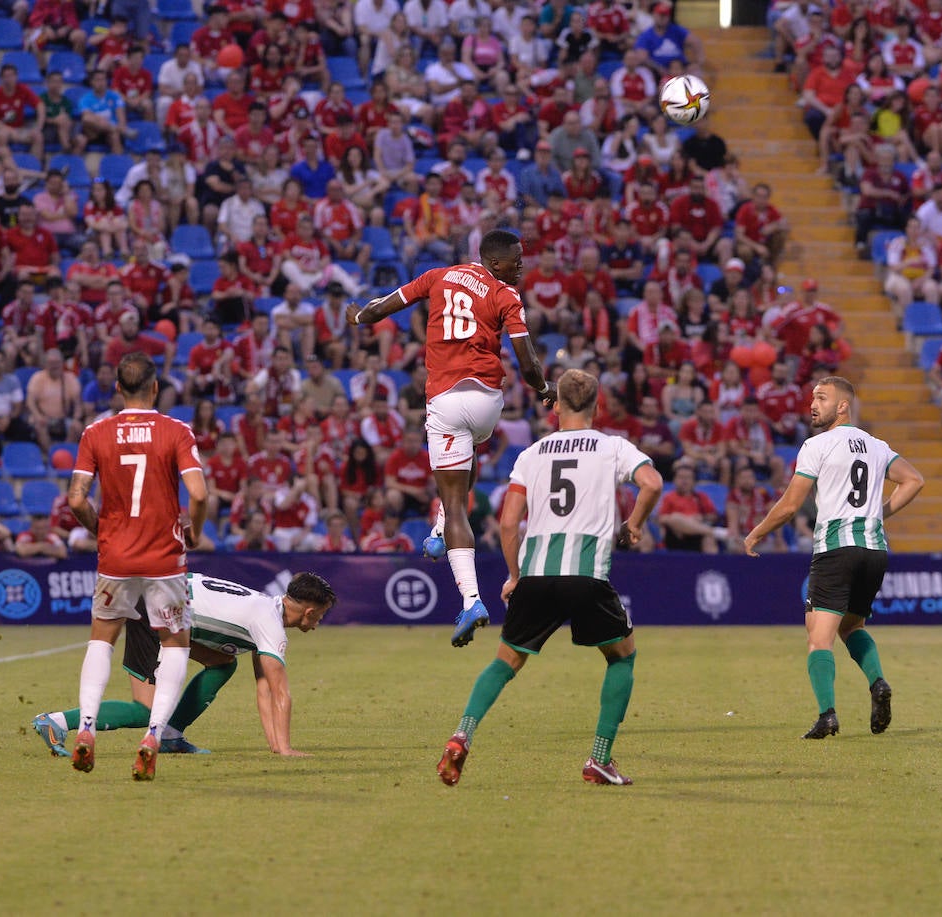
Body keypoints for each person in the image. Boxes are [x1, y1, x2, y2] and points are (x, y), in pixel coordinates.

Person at [436, 369, 662, 788]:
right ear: (598, 406)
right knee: (622, 656)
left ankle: (461, 734)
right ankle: (599, 759)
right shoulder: (613, 447)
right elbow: (652, 482)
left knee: (506, 661)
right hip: (585, 574)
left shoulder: (531, 454)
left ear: (556, 406)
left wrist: (514, 575)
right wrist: (634, 523)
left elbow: (507, 524)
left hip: (537, 574)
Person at [348, 228, 554, 648]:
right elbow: (528, 362)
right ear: (495, 263)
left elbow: (378, 310)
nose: (521, 265)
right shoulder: (505, 295)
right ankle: (441, 530)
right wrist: (545, 389)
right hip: (486, 403)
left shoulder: (437, 276)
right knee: (467, 459)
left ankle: (471, 599)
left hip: (445, 398)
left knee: (456, 500)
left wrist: (356, 315)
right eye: (516, 260)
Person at [743, 377, 925, 738]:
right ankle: (878, 684)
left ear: (843, 406)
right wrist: (878, 513)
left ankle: (827, 714)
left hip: (836, 549)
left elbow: (792, 503)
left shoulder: (817, 444)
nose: (813, 404)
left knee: (818, 638)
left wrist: (758, 532)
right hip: (875, 551)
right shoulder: (877, 446)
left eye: (822, 398)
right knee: (852, 626)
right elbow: (915, 480)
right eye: (812, 397)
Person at [66, 352, 209, 780]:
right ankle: (151, 737)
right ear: (155, 387)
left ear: (116, 389)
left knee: (102, 638)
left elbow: (76, 499)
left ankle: (87, 729)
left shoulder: (95, 432)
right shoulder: (176, 431)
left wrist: (100, 529)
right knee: (175, 643)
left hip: (116, 554)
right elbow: (198, 494)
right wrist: (195, 532)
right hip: (164, 556)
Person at [32, 572, 336, 758]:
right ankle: (56, 721)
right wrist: (285, 749)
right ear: (308, 611)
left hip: (168, 602)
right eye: (320, 616)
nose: (319, 623)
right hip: (157, 608)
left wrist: (276, 746)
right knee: (146, 711)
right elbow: (279, 691)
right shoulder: (270, 624)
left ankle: (170, 736)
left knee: (223, 663)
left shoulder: (265, 610)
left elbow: (264, 689)